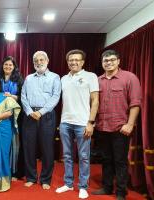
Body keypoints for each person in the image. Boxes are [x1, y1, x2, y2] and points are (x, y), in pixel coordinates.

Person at [92, 50, 142, 200]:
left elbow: (135, 103)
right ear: (102, 63)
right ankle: (107, 187)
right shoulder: (98, 80)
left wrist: (130, 124)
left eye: (112, 60)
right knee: (106, 159)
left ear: (118, 61)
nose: (109, 63)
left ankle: (121, 192)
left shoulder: (129, 78)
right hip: (102, 127)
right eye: (106, 60)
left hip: (121, 128)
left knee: (120, 160)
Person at [55, 50, 99, 199]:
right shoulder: (63, 79)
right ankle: (68, 184)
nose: (73, 62)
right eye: (71, 60)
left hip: (83, 123)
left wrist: (91, 122)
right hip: (65, 122)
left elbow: (95, 101)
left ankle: (83, 186)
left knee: (84, 156)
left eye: (77, 60)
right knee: (67, 155)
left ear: (82, 62)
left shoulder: (90, 76)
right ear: (68, 62)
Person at [21, 51, 61, 190]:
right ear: (33, 63)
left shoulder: (55, 77)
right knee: (29, 148)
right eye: (36, 60)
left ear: (47, 60)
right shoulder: (28, 78)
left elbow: (56, 96)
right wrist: (30, 112)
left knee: (47, 148)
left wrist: (41, 112)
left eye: (41, 59)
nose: (39, 62)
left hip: (47, 115)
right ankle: (31, 177)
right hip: (30, 115)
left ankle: (45, 179)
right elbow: (23, 96)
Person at [0, 56, 24, 179]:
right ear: (2, 66)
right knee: (0, 142)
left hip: (14, 116)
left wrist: (11, 96)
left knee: (14, 143)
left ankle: (14, 171)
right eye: (6, 64)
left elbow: (22, 97)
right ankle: (0, 169)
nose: (8, 67)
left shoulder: (19, 80)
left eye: (10, 65)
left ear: (14, 67)